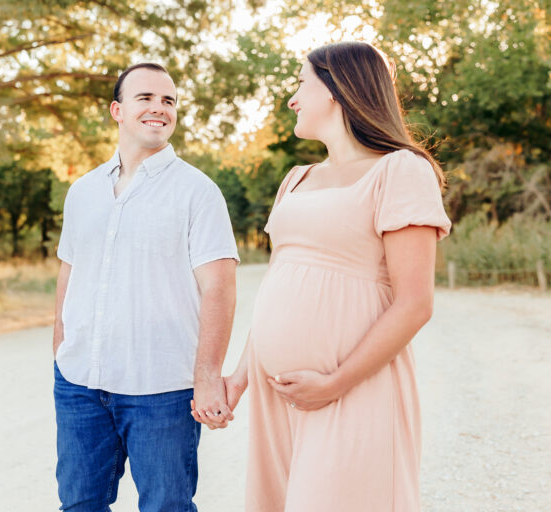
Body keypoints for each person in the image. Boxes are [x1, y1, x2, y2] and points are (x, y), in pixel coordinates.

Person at [222, 41, 452, 511]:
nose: (292, 99)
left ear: (335, 89)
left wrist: (335, 382)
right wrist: (241, 376)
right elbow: (280, 281)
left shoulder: (401, 170)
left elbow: (415, 304)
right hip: (276, 396)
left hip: (350, 389)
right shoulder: (296, 178)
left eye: (301, 83)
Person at [52, 62, 239, 512]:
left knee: (166, 508)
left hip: (162, 390)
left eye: (168, 101)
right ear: (117, 110)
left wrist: (208, 377)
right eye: (146, 98)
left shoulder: (198, 191)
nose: (160, 108)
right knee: (79, 505)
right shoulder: (82, 191)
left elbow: (220, 288)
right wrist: (60, 350)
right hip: (80, 384)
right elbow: (68, 272)